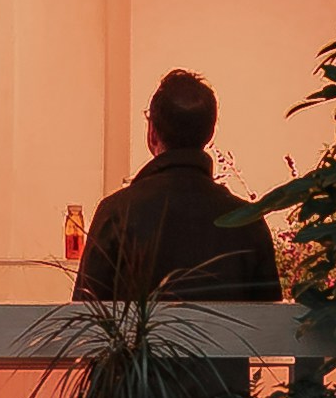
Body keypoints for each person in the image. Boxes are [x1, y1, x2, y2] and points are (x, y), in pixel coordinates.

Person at [75, 72, 285, 309]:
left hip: (139, 348)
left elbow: (87, 321)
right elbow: (270, 326)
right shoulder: (246, 221)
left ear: (152, 132)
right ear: (210, 134)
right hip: (225, 348)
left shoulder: (117, 213)